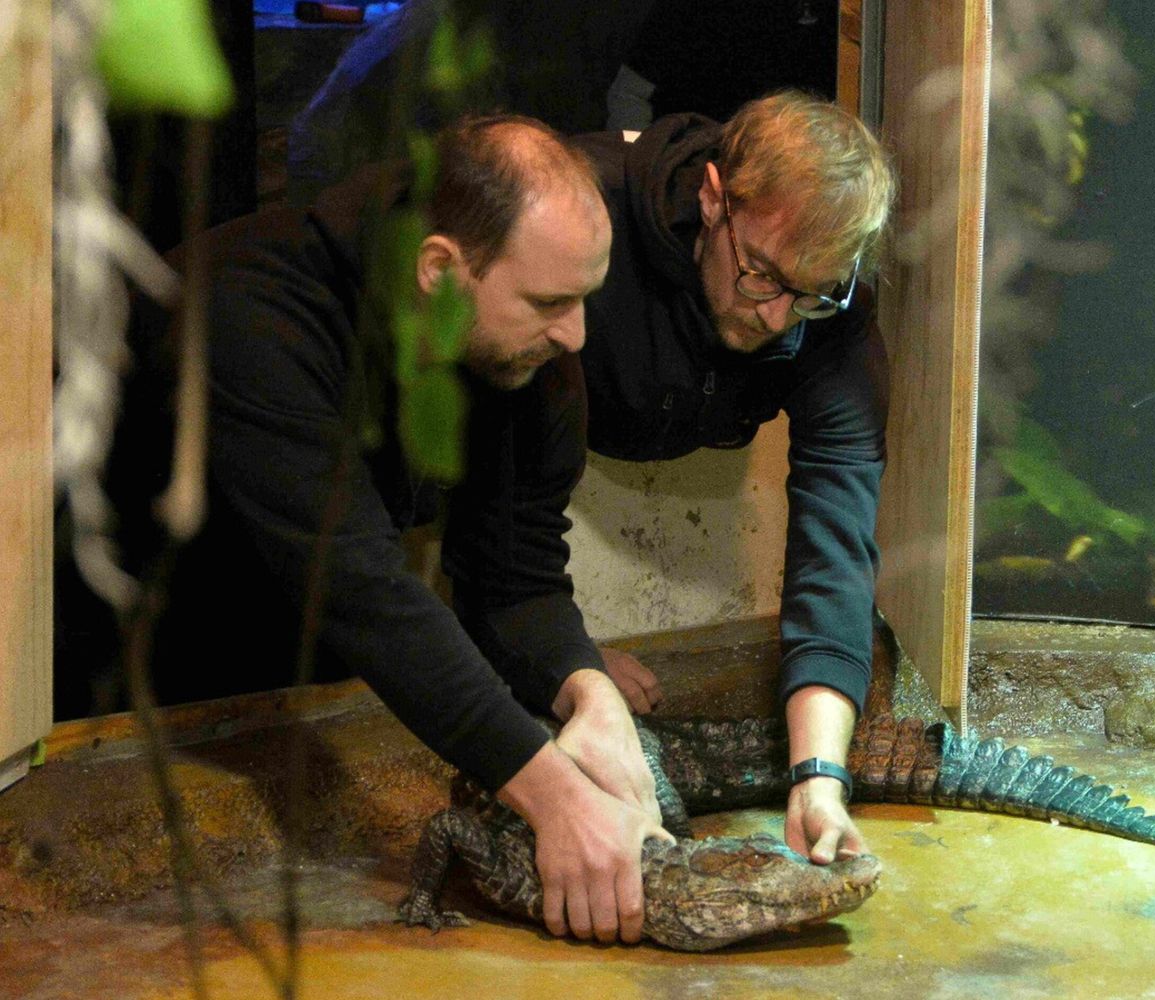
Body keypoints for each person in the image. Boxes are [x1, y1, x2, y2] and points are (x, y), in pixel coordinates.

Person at [109, 114, 671, 944]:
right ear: (439, 270)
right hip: (128, 670)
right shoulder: (251, 316)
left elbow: (516, 574)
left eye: (588, 297)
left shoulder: (525, 352)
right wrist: (558, 797)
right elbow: (362, 588)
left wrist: (585, 689)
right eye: (551, 301)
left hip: (307, 671)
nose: (577, 335)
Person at [572, 90, 896, 866]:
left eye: (813, 294)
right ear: (713, 198)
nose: (779, 318)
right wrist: (559, 656)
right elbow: (492, 470)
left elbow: (835, 538)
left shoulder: (828, 311)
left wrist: (820, 777)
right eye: (763, 276)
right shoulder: (580, 224)